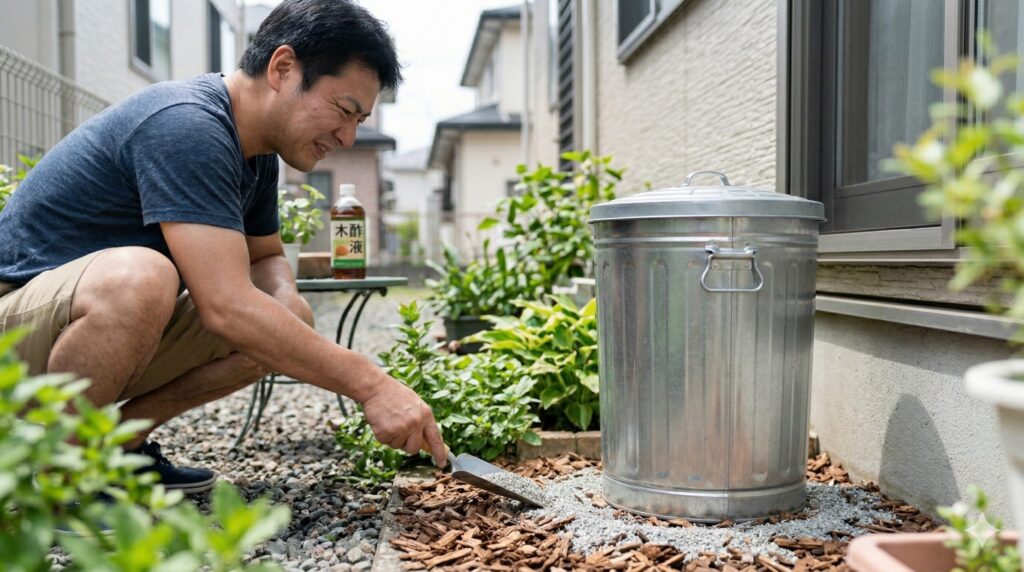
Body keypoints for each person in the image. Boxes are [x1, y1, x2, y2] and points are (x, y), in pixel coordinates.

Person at [0, 0, 446, 493]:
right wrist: (371, 383)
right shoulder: (186, 123)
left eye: (359, 121)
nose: (346, 136)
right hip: (12, 324)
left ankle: (118, 444)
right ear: (282, 68)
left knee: (285, 321)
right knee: (143, 278)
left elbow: (265, 256)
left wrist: (284, 298)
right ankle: (65, 478)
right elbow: (225, 306)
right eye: (344, 110)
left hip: (73, 333)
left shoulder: (255, 155)